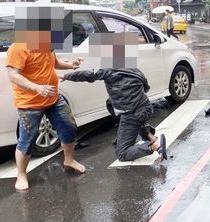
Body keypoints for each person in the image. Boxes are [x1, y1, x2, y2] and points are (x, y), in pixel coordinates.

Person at [60, 33, 168, 163]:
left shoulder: (107, 70)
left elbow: (88, 75)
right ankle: (150, 137)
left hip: (132, 114)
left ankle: (154, 146)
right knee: (110, 103)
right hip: (145, 107)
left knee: (122, 153)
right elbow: (146, 87)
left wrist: (67, 76)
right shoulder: (134, 69)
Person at [6, 28, 86, 191]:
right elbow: (13, 74)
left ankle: (69, 160)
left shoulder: (46, 44)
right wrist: (37, 88)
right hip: (29, 103)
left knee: (69, 126)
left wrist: (71, 65)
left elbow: (54, 63)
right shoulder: (19, 46)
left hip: (53, 98)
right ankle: (21, 174)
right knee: (28, 139)